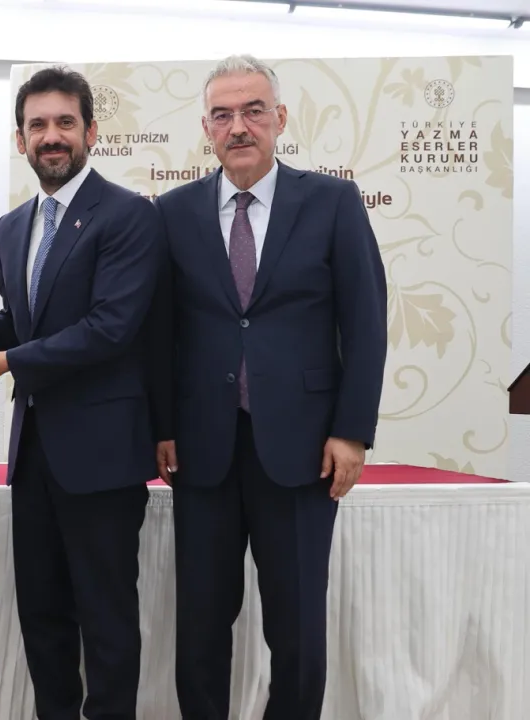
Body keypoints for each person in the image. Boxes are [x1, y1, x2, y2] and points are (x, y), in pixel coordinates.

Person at [149, 54, 387, 719]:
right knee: (200, 623)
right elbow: (160, 333)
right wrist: (162, 427)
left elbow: (365, 324)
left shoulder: (333, 202)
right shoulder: (173, 213)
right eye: (223, 114)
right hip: (203, 451)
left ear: (279, 118)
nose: (239, 126)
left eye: (254, 111)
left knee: (298, 626)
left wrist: (352, 432)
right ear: (206, 128)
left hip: (305, 451)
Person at [0, 66, 166, 720]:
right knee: (42, 618)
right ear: (20, 139)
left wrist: (5, 362)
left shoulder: (129, 216)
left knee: (105, 621)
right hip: (35, 457)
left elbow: (110, 328)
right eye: (37, 124)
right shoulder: (11, 227)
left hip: (102, 458)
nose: (52, 136)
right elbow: (22, 320)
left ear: (90, 132)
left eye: (65, 123)